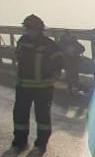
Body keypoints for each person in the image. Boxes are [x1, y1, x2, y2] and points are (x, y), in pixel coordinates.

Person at [12, 14, 63, 150]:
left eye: (30, 28)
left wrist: (52, 76)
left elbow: (58, 62)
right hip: (24, 85)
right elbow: (18, 55)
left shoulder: (49, 44)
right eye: (27, 28)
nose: (28, 31)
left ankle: (42, 141)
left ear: (38, 29)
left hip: (43, 87)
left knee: (42, 116)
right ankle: (20, 139)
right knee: (20, 114)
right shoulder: (23, 41)